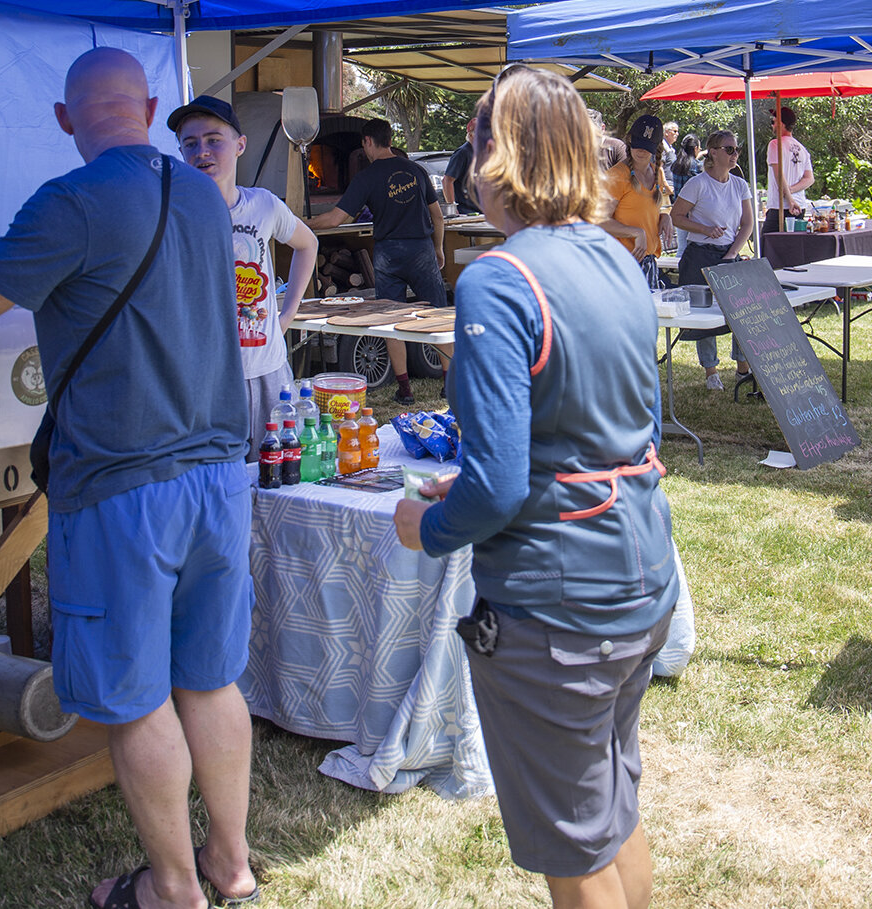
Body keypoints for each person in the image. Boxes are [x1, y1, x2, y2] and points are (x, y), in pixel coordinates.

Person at [0, 48, 259, 909]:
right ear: (149, 107)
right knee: (210, 681)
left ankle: (173, 890)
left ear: (67, 119)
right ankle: (232, 864)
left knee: (139, 697)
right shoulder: (203, 193)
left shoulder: (69, 201)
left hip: (122, 483)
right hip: (221, 474)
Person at [392, 65, 676, 909]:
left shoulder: (497, 278)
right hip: (637, 577)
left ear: (494, 156)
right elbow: (622, 423)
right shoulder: (616, 257)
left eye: (475, 142)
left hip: (557, 605)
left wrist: (427, 524)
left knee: (573, 841)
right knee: (610, 812)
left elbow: (498, 487)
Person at [171, 94, 319, 456]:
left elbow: (308, 244)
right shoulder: (173, 213)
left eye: (213, 140)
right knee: (218, 482)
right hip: (206, 382)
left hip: (268, 370)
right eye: (190, 144)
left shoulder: (263, 205)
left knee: (278, 472)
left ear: (240, 146)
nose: (201, 152)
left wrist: (288, 315)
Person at [311, 117, 448, 406]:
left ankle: (405, 390)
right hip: (422, 248)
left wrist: (303, 225)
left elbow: (338, 218)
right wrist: (439, 249)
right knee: (438, 317)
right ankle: (449, 385)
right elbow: (437, 215)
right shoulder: (417, 170)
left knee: (390, 320)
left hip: (388, 252)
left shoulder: (366, 177)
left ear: (367, 142)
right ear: (389, 139)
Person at [670, 130, 756, 391]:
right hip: (700, 254)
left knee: (740, 311)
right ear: (714, 152)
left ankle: (743, 367)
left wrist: (731, 254)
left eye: (736, 149)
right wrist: (705, 229)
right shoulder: (698, 184)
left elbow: (748, 224)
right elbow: (676, 217)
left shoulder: (740, 184)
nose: (734, 154)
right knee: (703, 315)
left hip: (728, 254)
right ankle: (711, 372)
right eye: (729, 149)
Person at [602, 113, 674, 288]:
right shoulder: (617, 176)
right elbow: (598, 221)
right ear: (629, 142)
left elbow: (648, 212)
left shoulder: (656, 172)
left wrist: (665, 217)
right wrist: (636, 232)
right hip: (622, 264)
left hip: (648, 263)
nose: (641, 151)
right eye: (638, 144)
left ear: (656, 148)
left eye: (647, 147)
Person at [762, 105, 815, 235]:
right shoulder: (802, 148)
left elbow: (779, 175)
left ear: (781, 123)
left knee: (768, 246)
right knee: (792, 247)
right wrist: (791, 191)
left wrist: (789, 197)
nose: (772, 126)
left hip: (781, 206)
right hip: (799, 206)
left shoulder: (775, 144)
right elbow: (809, 179)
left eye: (773, 122)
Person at [444, 113, 481, 215]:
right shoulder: (462, 153)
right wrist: (452, 207)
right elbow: (447, 180)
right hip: (467, 212)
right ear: (470, 135)